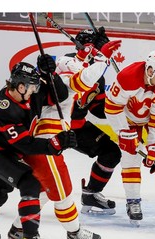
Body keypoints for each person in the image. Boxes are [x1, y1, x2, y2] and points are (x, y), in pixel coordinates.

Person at [4, 56, 101, 239]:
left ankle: (18, 229)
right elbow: (87, 78)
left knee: (44, 190)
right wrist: (104, 59)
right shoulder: (63, 82)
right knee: (62, 191)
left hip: (44, 144)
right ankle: (74, 232)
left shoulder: (45, 85)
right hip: (45, 147)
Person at [0, 59, 77, 239]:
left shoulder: (30, 95)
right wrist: (54, 145)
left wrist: (49, 73)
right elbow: (26, 145)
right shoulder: (3, 109)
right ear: (20, 86)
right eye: (32, 86)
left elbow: (61, 94)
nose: (35, 90)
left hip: (9, 152)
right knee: (30, 183)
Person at [104, 49, 155, 225]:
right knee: (130, 158)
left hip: (152, 118)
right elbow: (111, 107)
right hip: (128, 120)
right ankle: (133, 201)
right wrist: (123, 132)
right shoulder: (127, 78)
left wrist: (154, 146)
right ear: (150, 71)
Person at [55, 28, 122, 215]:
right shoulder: (67, 62)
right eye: (96, 48)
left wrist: (120, 106)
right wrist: (100, 59)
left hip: (76, 126)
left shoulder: (98, 74)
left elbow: (98, 109)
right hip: (53, 125)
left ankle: (91, 193)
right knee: (28, 164)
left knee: (111, 152)